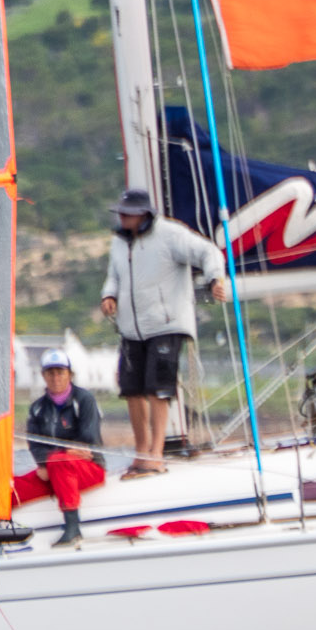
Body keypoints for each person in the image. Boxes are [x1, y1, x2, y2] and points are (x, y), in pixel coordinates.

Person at [96, 189, 225, 476]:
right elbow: (114, 275)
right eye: (120, 212)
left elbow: (208, 252)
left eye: (127, 213)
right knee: (131, 390)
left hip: (167, 323)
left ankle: (156, 452)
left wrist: (215, 277)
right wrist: (109, 295)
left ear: (143, 214)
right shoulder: (119, 241)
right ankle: (142, 451)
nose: (121, 217)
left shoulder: (170, 234)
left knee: (158, 388)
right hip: (132, 328)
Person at [14, 349, 107, 547]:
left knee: (60, 462)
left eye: (60, 372)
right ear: (43, 375)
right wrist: (46, 463)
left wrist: (57, 457)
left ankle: (73, 528)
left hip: (89, 468)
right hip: (51, 470)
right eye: (50, 373)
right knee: (12, 487)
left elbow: (88, 437)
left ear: (69, 374)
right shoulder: (37, 408)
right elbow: (35, 445)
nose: (55, 377)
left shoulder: (84, 399)